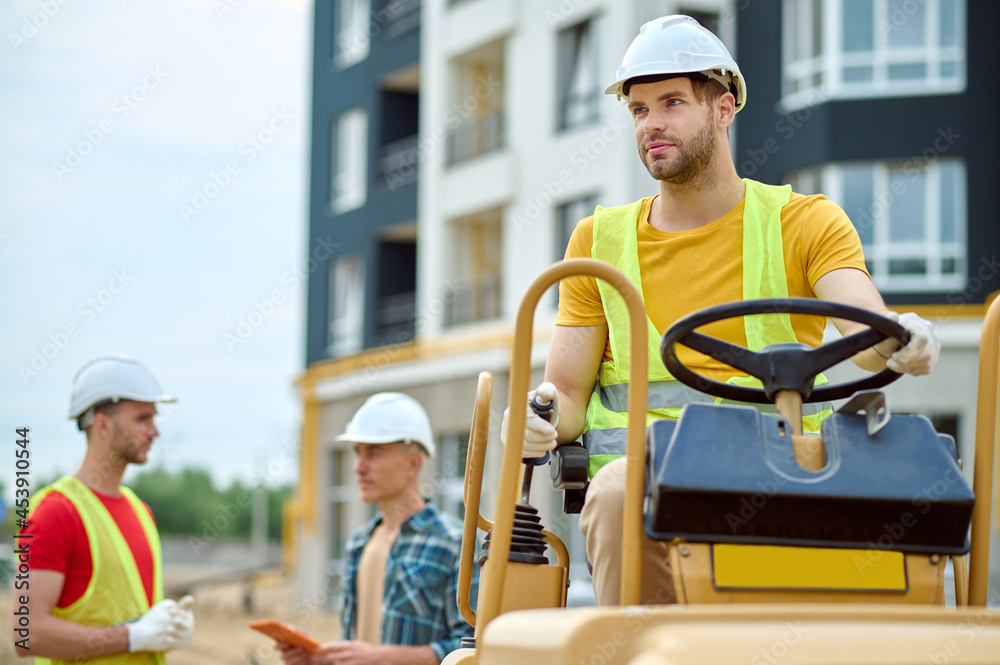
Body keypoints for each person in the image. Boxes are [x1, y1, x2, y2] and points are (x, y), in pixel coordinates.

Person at [501, 15, 941, 607]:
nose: (651, 123)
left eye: (672, 102)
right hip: (643, 498)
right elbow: (569, 396)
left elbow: (863, 328)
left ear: (724, 108)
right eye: (638, 109)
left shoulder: (802, 221)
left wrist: (901, 339)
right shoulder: (596, 242)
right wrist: (541, 417)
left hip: (781, 485)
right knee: (614, 492)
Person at [13, 355, 195, 663]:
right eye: (142, 419)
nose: (155, 432)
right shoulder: (54, 513)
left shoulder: (141, 511)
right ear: (103, 425)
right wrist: (132, 637)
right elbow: (27, 634)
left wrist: (167, 625)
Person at [279, 393, 475, 665]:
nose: (358, 467)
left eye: (374, 453)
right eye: (357, 453)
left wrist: (385, 658)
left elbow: (473, 647)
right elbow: (359, 642)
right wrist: (318, 656)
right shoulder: (359, 542)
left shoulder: (458, 544)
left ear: (414, 463)